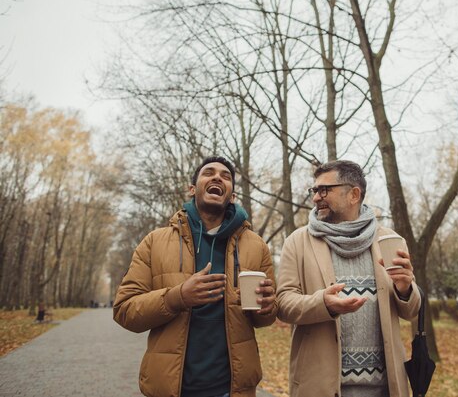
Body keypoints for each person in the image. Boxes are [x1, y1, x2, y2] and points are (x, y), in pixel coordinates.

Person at [114, 156, 277, 397]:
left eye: (225, 176)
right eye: (208, 173)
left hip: (233, 389)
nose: (217, 177)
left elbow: (266, 318)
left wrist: (265, 306)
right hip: (171, 388)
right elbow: (124, 310)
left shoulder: (257, 246)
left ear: (232, 195)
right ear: (193, 189)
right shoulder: (154, 242)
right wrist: (176, 297)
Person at [276, 160, 421, 397]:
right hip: (322, 387)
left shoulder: (389, 240)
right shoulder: (297, 241)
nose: (315, 198)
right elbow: (282, 304)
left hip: (385, 389)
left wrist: (405, 288)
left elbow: (411, 312)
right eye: (315, 190)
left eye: (324, 190)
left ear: (354, 194)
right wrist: (323, 303)